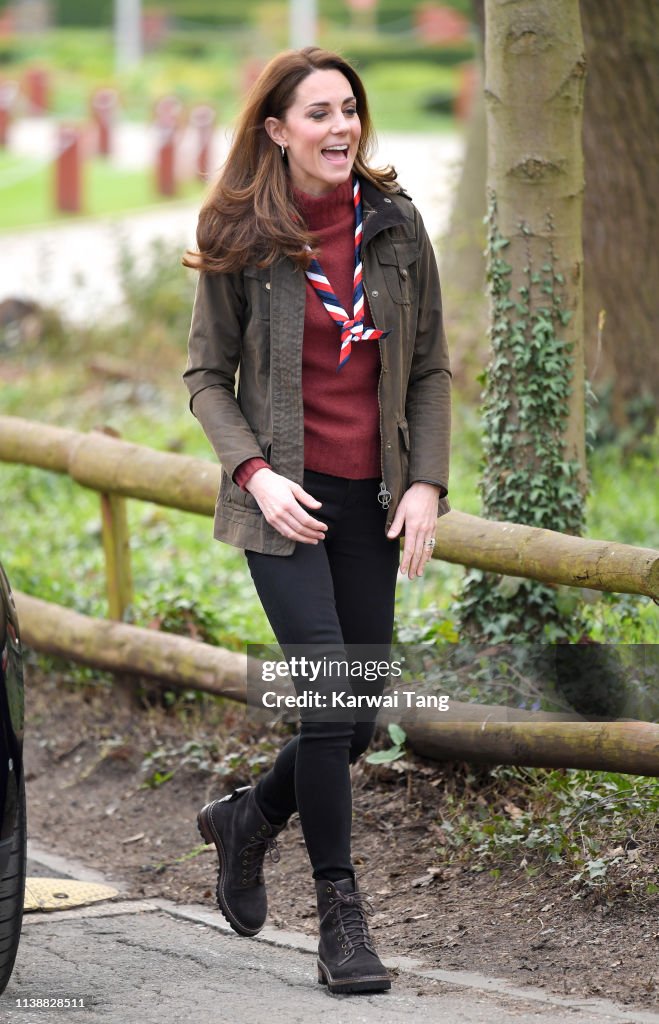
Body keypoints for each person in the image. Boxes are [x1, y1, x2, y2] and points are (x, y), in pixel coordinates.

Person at [183, 46, 451, 995]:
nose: (340, 128)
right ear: (277, 131)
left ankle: (247, 820)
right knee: (331, 698)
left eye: (349, 110)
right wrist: (254, 475)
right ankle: (341, 913)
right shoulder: (240, 233)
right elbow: (206, 379)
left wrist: (425, 482)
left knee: (358, 710)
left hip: (370, 503)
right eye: (317, 114)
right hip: (281, 508)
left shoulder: (396, 226)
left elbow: (427, 368)